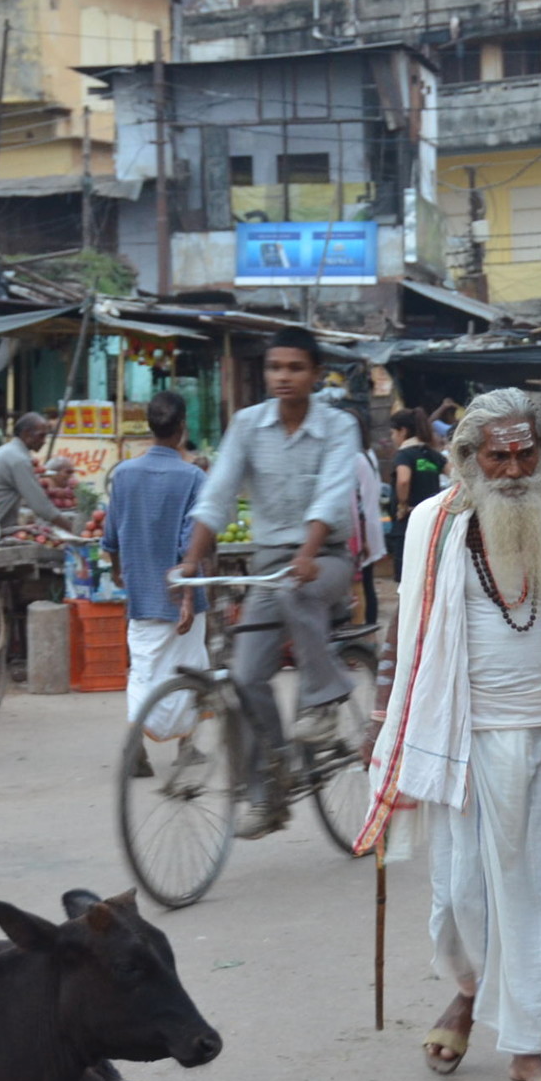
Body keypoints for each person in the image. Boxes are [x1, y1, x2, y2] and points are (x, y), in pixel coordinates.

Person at [357, 388, 541, 1081]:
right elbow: (405, 624)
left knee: (533, 892)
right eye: (497, 456)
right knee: (460, 897)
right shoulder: (432, 523)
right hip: (456, 735)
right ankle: (470, 992)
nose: (512, 470)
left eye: (524, 454)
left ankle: (526, 1047)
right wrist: (383, 717)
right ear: (467, 458)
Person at [179, 327, 357, 840]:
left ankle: (322, 703)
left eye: (295, 368)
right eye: (275, 367)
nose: (283, 376)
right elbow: (218, 494)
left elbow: (332, 494)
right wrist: (190, 562)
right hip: (270, 563)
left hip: (325, 558)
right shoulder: (247, 425)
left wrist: (307, 554)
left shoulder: (338, 426)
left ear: (315, 374)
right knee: (244, 676)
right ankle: (268, 789)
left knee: (295, 590)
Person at [103, 390, 209, 776]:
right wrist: (187, 596)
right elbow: (189, 541)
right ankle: (186, 746)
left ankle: (138, 743)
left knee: (144, 670)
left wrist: (119, 570)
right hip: (184, 593)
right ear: (182, 427)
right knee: (191, 667)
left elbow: (111, 534)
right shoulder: (193, 477)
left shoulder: (123, 474)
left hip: (141, 591)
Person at [0, 412, 73, 533]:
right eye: (41, 436)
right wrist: (72, 529)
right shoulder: (18, 459)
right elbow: (41, 506)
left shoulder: (9, 450)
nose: (44, 441)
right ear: (26, 433)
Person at [390, 408, 444, 582]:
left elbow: (403, 480)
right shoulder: (433, 455)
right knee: (428, 576)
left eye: (393, 433)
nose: (392, 438)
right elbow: (457, 475)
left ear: (403, 431)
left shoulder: (404, 455)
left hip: (407, 524)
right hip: (432, 523)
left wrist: (402, 505)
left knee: (406, 580)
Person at [348, 411, 388, 627]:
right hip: (369, 527)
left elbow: (359, 502)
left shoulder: (355, 459)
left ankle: (366, 628)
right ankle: (369, 628)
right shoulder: (368, 455)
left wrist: (361, 538)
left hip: (361, 531)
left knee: (361, 585)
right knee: (367, 583)